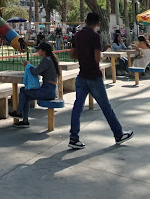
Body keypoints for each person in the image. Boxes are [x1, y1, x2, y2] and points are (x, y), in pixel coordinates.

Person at [68, 12, 133, 149]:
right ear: (97, 24)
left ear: (85, 21)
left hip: (81, 76)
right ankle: (118, 134)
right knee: (106, 107)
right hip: (94, 77)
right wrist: (103, 54)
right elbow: (98, 58)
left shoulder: (77, 35)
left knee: (77, 107)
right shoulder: (95, 37)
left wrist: (84, 55)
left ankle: (74, 137)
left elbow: (72, 54)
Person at [9, 41, 59, 127]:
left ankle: (19, 113)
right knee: (26, 96)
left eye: (38, 50)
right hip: (50, 90)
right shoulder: (50, 60)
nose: (37, 51)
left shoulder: (46, 60)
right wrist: (30, 66)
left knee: (23, 91)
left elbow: (35, 72)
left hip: (47, 91)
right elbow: (41, 72)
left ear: (44, 51)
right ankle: (25, 121)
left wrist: (29, 65)